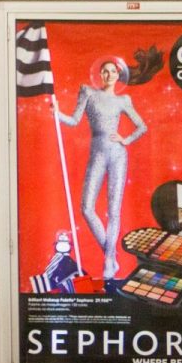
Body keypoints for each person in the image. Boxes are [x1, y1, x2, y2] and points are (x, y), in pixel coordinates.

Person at [58, 56, 147, 283]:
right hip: (96, 152)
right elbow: (74, 120)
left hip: (118, 155)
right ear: (100, 75)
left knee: (113, 210)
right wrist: (56, 113)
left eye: (113, 71)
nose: (109, 75)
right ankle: (111, 254)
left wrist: (126, 139)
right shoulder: (88, 93)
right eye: (105, 71)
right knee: (87, 207)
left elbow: (142, 126)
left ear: (118, 76)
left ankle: (108, 260)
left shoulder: (123, 100)